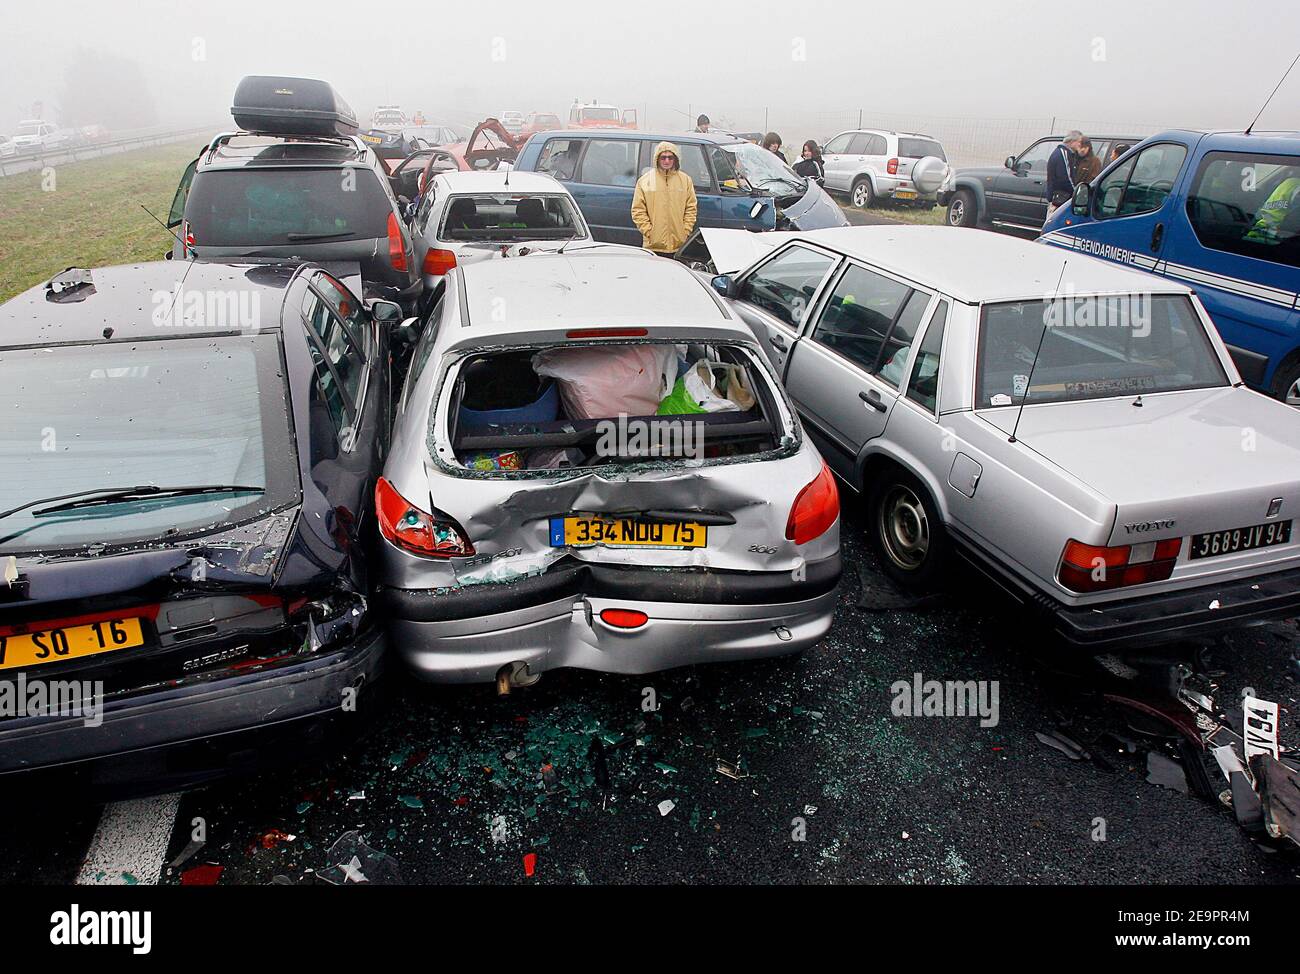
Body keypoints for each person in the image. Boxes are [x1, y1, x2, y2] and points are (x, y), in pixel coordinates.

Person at [630, 140, 698, 257]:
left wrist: (685, 231)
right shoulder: (645, 181)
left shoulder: (685, 180)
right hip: (653, 247)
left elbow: (691, 208)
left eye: (670, 157)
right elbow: (638, 210)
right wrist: (650, 232)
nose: (667, 161)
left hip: (678, 246)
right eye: (663, 157)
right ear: (657, 159)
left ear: (675, 159)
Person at [1044, 130, 1083, 223]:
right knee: (1056, 223)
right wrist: (1076, 193)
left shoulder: (1062, 152)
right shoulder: (1063, 154)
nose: (1080, 145)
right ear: (1072, 141)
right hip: (1060, 197)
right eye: (1079, 142)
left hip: (1056, 197)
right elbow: (1066, 177)